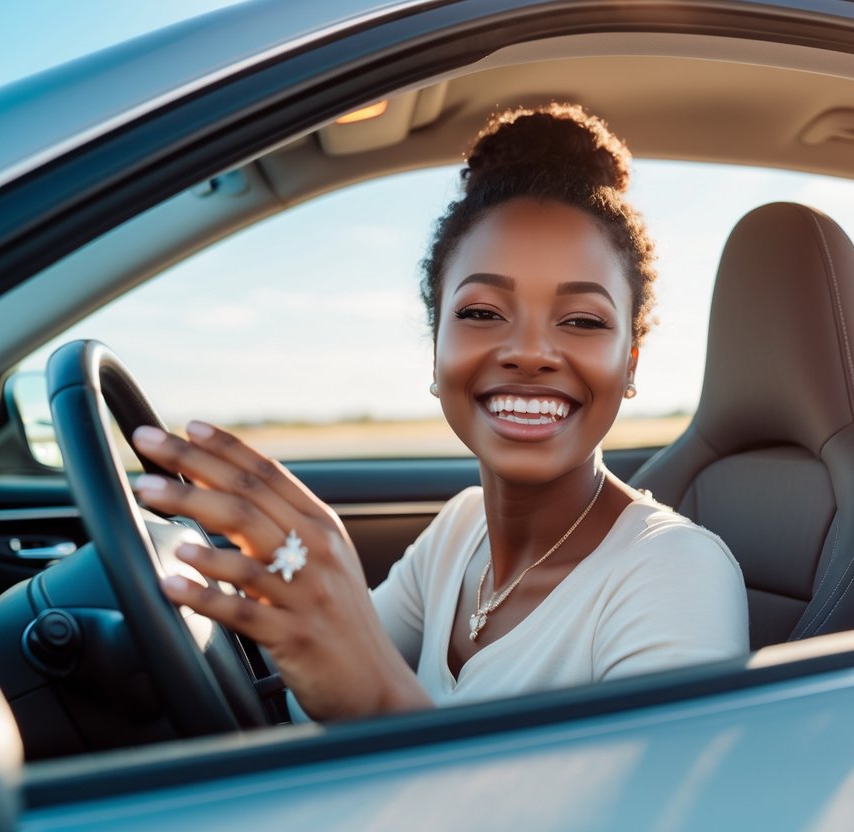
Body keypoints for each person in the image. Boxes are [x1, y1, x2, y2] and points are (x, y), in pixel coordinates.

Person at [131, 103, 749, 720]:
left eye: (582, 321)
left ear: (631, 364)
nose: (530, 353)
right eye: (482, 313)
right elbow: (314, 701)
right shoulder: (459, 530)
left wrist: (378, 701)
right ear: (436, 352)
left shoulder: (677, 572)